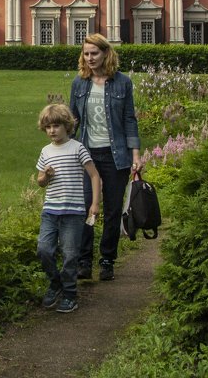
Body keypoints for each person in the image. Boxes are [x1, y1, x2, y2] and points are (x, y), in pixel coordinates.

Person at [68, 33, 140, 281]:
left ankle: (107, 260)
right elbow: (72, 120)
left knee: (111, 210)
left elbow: (129, 120)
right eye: (86, 54)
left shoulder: (122, 83)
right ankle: (84, 261)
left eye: (94, 53)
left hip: (115, 155)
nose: (89, 58)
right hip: (87, 154)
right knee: (87, 206)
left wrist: (136, 154)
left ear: (106, 53)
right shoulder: (79, 83)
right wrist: (63, 146)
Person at [35, 103, 101, 314]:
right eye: (48, 127)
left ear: (67, 125)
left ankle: (70, 294)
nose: (52, 130)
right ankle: (56, 283)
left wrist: (95, 204)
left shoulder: (77, 148)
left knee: (71, 254)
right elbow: (40, 182)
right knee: (44, 250)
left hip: (73, 211)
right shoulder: (45, 152)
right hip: (50, 211)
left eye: (56, 125)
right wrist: (46, 175)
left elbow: (94, 175)